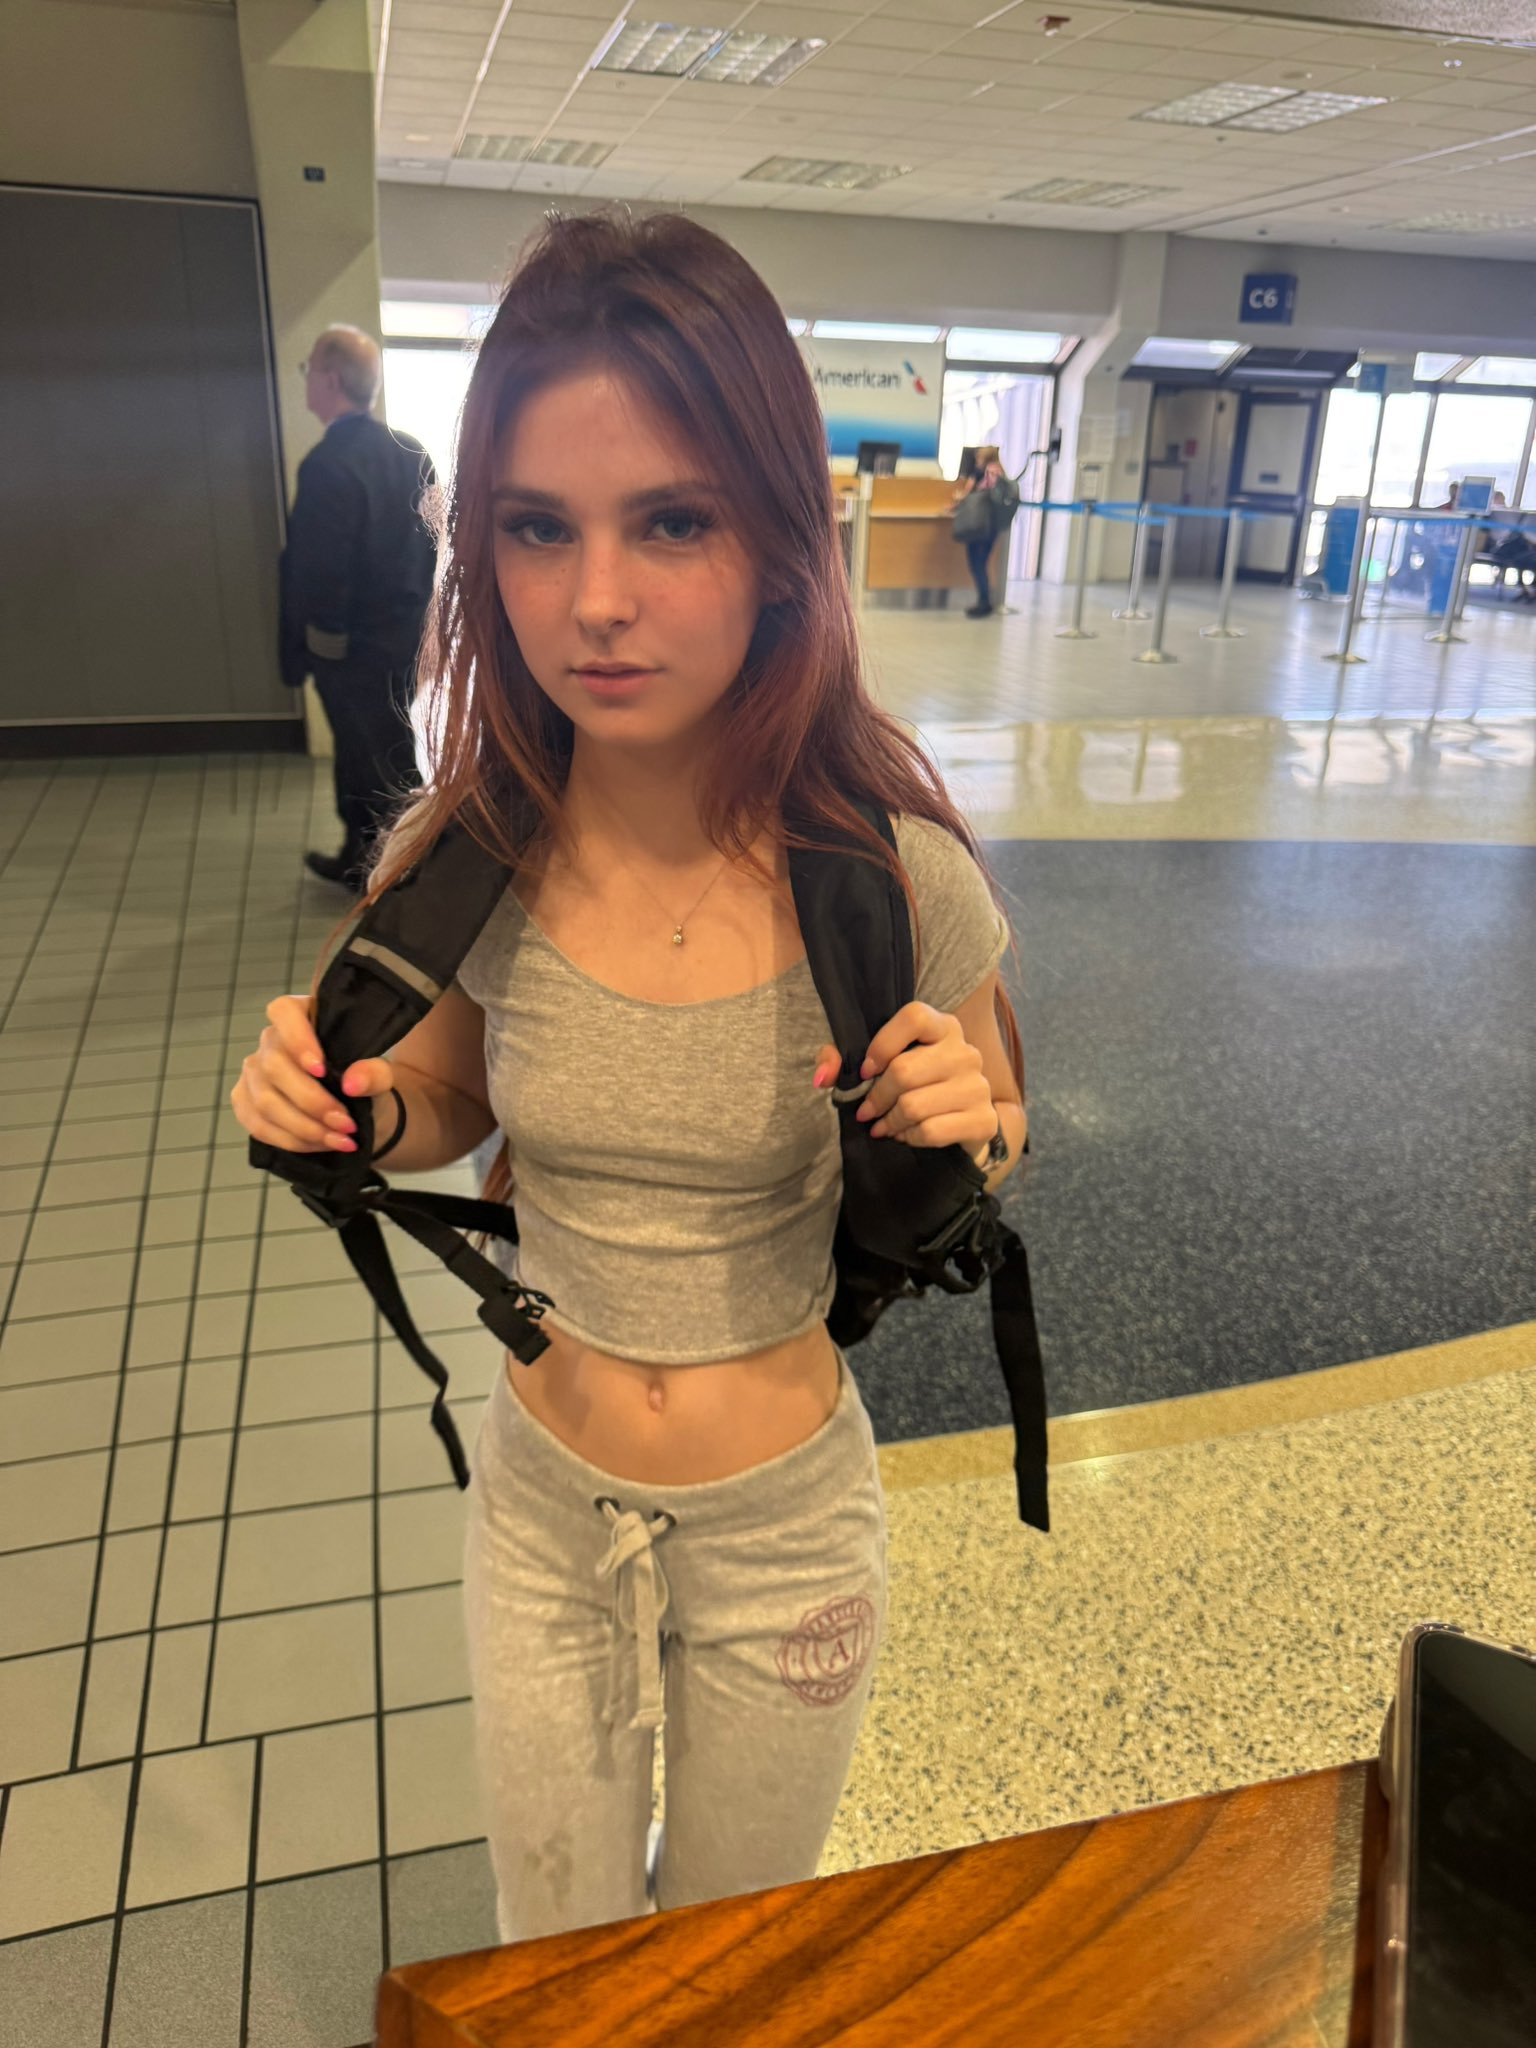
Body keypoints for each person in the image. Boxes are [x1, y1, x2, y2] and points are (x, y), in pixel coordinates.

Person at [232, 208, 1029, 1945]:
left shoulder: (892, 875)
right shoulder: (469, 857)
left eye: (671, 519)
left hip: (787, 1523)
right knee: (560, 1947)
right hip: (541, 1505)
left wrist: (967, 1116)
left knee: (732, 1958)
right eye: (538, 526)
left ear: (777, 539)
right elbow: (448, 1096)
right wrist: (354, 1110)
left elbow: (997, 1117)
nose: (594, 601)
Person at [280, 325, 439, 890]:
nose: (306, 382)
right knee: (373, 749)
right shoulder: (411, 451)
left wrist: (321, 645)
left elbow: (321, 570)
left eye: (308, 371)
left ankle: (409, 876)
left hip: (352, 648)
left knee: (377, 759)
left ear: (330, 379)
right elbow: (433, 545)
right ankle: (360, 855)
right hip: (405, 635)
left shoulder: (328, 464)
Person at [950, 445, 1017, 617]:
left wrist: (959, 499)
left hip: (979, 524)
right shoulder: (999, 471)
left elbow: (972, 494)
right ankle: (984, 599)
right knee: (981, 563)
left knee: (977, 563)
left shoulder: (987, 472)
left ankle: (984, 602)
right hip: (991, 525)